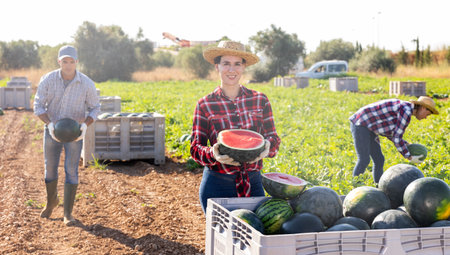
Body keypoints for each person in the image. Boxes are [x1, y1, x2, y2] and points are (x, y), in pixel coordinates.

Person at [190, 41, 281, 213]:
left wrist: (267, 147)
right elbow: (195, 149)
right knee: (221, 238)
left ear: (243, 67)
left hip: (253, 183)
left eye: (237, 64)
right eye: (226, 63)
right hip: (217, 185)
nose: (232, 70)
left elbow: (273, 138)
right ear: (217, 67)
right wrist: (213, 154)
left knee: (253, 234)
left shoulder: (260, 100)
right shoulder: (205, 104)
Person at [34, 45, 100, 225]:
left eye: (71, 61)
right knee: (50, 167)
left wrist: (85, 126)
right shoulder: (48, 80)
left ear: (77, 62)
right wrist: (49, 124)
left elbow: (95, 107)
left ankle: (67, 213)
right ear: (59, 62)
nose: (68, 65)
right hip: (52, 131)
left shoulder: (86, 83)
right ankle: (51, 201)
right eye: (65, 61)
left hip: (74, 134)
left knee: (71, 170)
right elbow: (38, 105)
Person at [349, 96, 439, 183]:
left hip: (369, 127)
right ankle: (355, 185)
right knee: (364, 159)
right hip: (361, 123)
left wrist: (405, 144)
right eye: (427, 114)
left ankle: (378, 187)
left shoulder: (405, 108)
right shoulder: (406, 111)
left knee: (379, 159)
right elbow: (396, 138)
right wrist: (409, 156)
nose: (425, 117)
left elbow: (391, 133)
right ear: (423, 108)